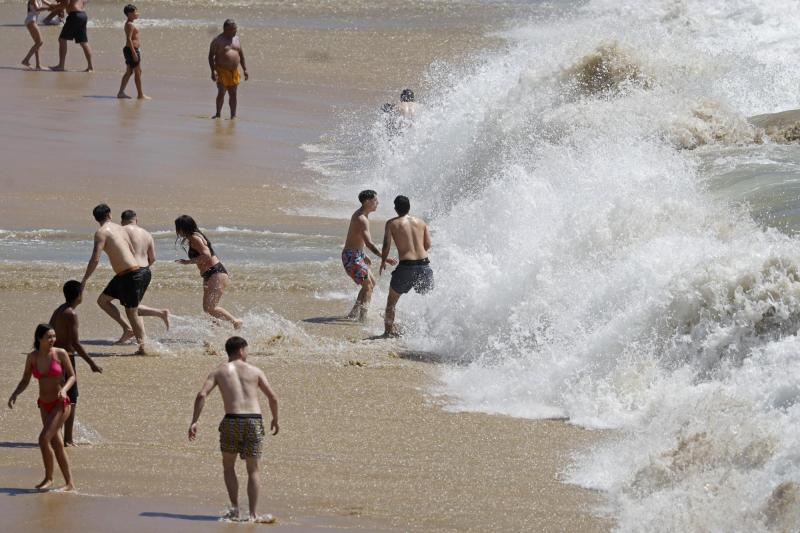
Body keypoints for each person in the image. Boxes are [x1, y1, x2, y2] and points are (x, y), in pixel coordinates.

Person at [188, 336, 278, 523]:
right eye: (247, 349)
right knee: (253, 469)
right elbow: (273, 397)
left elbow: (202, 394)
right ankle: (253, 515)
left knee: (229, 467)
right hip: (254, 421)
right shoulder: (255, 371)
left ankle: (235, 509)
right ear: (241, 350)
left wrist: (194, 421)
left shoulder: (219, 371)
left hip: (232, 420)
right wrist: (275, 419)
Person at [8, 324, 76, 491]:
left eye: (54, 336)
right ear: (39, 338)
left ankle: (49, 478)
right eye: (49, 337)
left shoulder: (60, 353)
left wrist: (65, 390)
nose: (53, 339)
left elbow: (72, 376)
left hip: (60, 403)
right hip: (44, 405)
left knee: (43, 439)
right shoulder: (32, 357)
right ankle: (69, 483)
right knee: (57, 444)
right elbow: (25, 379)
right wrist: (15, 393)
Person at [81, 203, 150, 353]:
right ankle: (128, 329)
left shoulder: (100, 233)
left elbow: (95, 259)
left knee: (131, 311)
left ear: (95, 219)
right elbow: (131, 250)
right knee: (103, 300)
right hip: (128, 273)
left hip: (130, 274)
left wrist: (85, 279)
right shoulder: (120, 228)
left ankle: (143, 346)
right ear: (110, 215)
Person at [49, 280, 102, 447]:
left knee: (60, 398)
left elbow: (49, 332)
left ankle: (58, 436)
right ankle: (68, 439)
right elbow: (75, 343)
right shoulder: (71, 314)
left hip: (54, 356)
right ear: (78, 296)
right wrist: (91, 363)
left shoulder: (59, 310)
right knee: (71, 399)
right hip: (66, 359)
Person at [174, 215, 242, 328]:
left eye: (178, 228)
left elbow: (207, 255)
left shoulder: (195, 238)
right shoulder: (193, 237)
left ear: (184, 227)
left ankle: (236, 322)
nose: (177, 231)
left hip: (216, 272)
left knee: (211, 307)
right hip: (209, 274)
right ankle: (216, 330)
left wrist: (188, 262)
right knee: (207, 309)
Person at [380, 195, 433, 336]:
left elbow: (386, 245)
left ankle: (387, 333)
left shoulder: (392, 223)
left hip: (406, 266)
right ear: (409, 207)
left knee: (391, 302)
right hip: (425, 265)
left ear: (395, 208)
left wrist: (383, 261)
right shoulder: (421, 222)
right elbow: (428, 245)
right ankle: (429, 332)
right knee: (429, 300)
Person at [342, 190, 396, 321]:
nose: (378, 203)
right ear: (367, 201)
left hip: (355, 254)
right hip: (351, 257)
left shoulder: (362, 215)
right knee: (368, 286)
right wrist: (385, 258)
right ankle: (362, 319)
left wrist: (362, 253)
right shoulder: (361, 218)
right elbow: (369, 243)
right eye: (375, 200)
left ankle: (353, 314)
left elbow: (355, 237)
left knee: (371, 283)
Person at [120, 209, 170, 330]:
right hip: (145, 272)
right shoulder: (147, 234)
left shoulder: (121, 231)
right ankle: (141, 333)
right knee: (134, 305)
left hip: (131, 272)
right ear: (136, 220)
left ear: (122, 221)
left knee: (131, 307)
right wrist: (143, 269)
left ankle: (160, 314)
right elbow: (153, 258)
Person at [209, 19, 248, 119]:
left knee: (233, 93)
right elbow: (210, 56)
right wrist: (213, 71)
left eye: (236, 29)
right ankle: (218, 114)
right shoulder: (217, 40)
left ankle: (233, 115)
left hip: (234, 71)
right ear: (226, 29)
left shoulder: (237, 39)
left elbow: (241, 55)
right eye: (233, 29)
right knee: (222, 92)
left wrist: (245, 69)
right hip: (221, 70)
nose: (236, 31)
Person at [49, 0, 93, 72]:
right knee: (84, 42)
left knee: (62, 40)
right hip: (83, 15)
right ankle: (90, 67)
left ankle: (61, 66)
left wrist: (54, 7)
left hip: (74, 15)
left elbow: (66, 3)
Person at [117, 4, 149, 100]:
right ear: (130, 14)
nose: (137, 13)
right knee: (137, 72)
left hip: (131, 50)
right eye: (135, 12)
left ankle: (121, 92)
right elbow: (129, 39)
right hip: (132, 50)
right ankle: (140, 95)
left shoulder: (130, 23)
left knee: (129, 72)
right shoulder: (130, 25)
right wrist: (134, 53)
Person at [21, 0, 53, 70]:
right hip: (30, 21)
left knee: (37, 44)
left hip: (33, 21)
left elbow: (50, 4)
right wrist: (48, 8)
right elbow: (37, 9)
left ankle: (38, 65)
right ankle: (26, 60)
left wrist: (58, 6)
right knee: (39, 42)